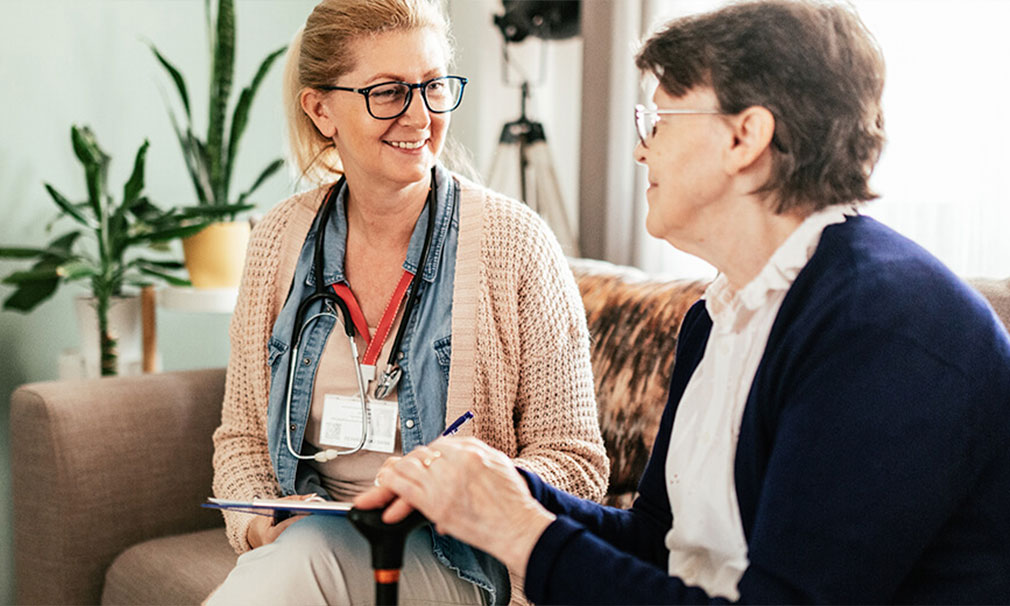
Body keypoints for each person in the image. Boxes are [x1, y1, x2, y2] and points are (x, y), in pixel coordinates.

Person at [357, 0, 1010, 603]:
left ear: (744, 138)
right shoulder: (720, 315)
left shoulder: (881, 328)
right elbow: (660, 541)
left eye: (659, 119)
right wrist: (507, 487)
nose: (642, 149)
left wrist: (522, 531)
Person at [207, 0, 609, 604]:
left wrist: (458, 490)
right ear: (321, 109)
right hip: (309, 541)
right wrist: (262, 525)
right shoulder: (277, 241)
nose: (420, 116)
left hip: (464, 557)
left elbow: (577, 463)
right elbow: (240, 438)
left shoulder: (515, 243)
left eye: (433, 87)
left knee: (302, 566)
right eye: (390, 92)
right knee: (303, 554)